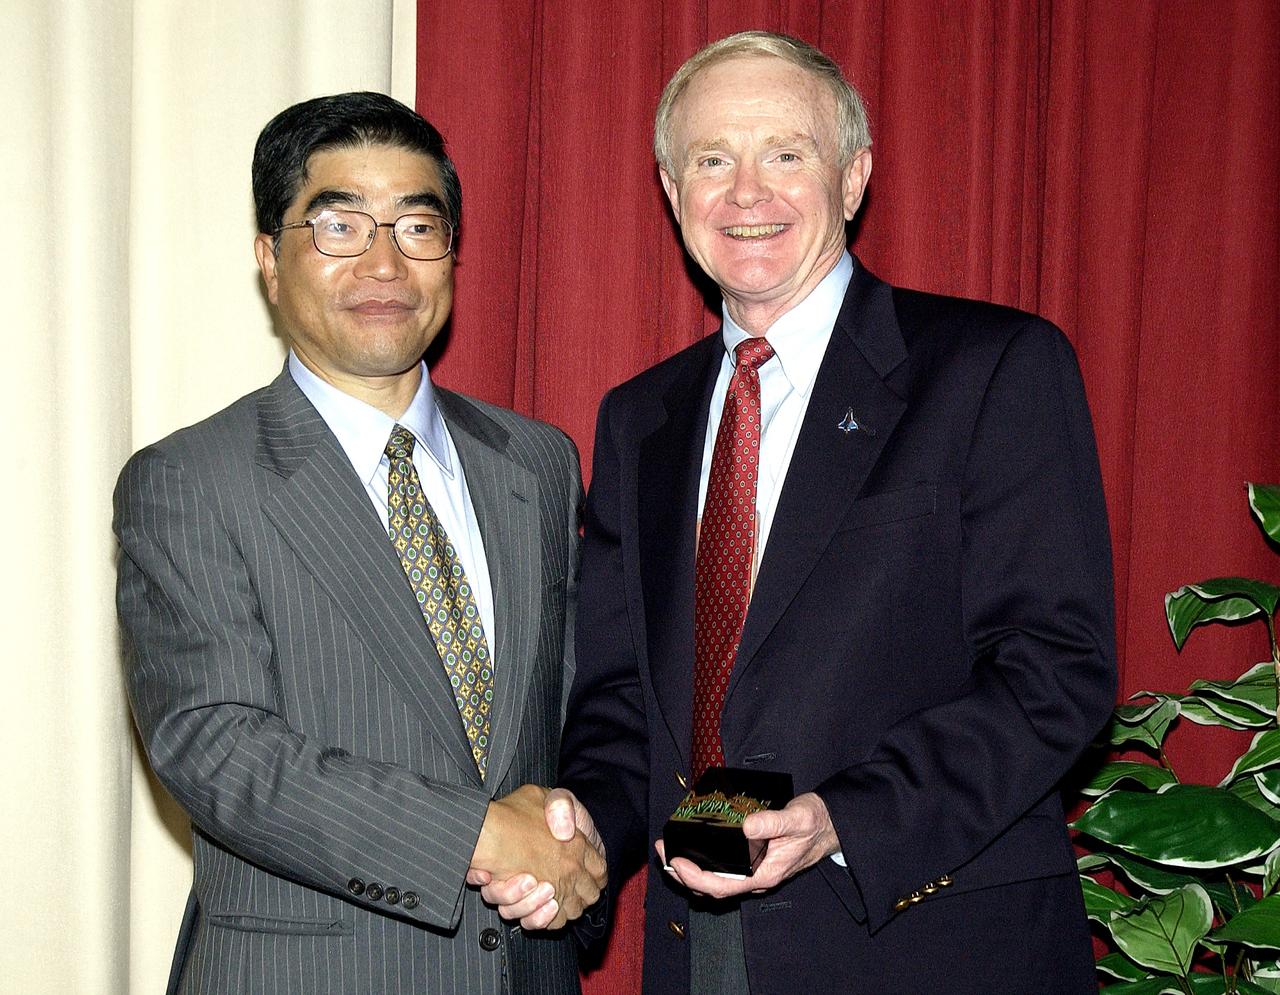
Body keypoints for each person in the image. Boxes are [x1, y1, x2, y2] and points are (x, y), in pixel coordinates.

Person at [485, 30, 1115, 994]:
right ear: (669, 188)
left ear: (854, 177)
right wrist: (580, 843)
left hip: (922, 942)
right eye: (711, 159)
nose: (747, 192)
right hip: (697, 952)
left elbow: (1055, 671)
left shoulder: (992, 369)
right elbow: (618, 704)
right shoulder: (635, 420)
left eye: (787, 153)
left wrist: (845, 819)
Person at [114, 91, 603, 995]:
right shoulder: (189, 480)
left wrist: (576, 840)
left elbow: (577, 709)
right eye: (338, 225)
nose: (385, 262)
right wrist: (476, 835)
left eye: (418, 226)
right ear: (270, 257)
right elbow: (217, 746)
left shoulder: (536, 461)